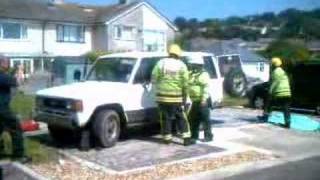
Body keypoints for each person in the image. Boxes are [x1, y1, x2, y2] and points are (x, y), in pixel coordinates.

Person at [151, 44, 193, 146]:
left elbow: (154, 77)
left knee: (165, 118)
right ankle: (186, 139)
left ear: (169, 53)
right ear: (178, 54)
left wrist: (157, 86)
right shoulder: (182, 65)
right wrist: (185, 96)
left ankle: (167, 139)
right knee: (181, 117)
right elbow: (185, 83)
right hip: (176, 97)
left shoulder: (161, 63)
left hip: (162, 97)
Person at [0, 57, 31, 163]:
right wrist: (20, 70)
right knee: (16, 128)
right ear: (2, 64)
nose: (8, 65)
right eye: (6, 63)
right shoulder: (2, 76)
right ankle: (19, 156)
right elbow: (18, 81)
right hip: (2, 109)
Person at [188, 58, 213, 142]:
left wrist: (204, 99)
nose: (191, 66)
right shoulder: (191, 74)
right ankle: (194, 136)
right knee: (193, 119)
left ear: (198, 65)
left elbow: (206, 87)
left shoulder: (204, 75)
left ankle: (208, 136)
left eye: (193, 64)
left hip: (203, 100)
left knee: (205, 119)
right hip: (195, 101)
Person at [262, 57, 292, 128]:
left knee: (270, 104)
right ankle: (288, 123)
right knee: (286, 108)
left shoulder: (275, 72)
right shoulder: (283, 71)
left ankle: (265, 117)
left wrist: (270, 91)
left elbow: (274, 83)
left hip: (280, 93)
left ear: (273, 65)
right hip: (287, 92)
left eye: (271, 64)